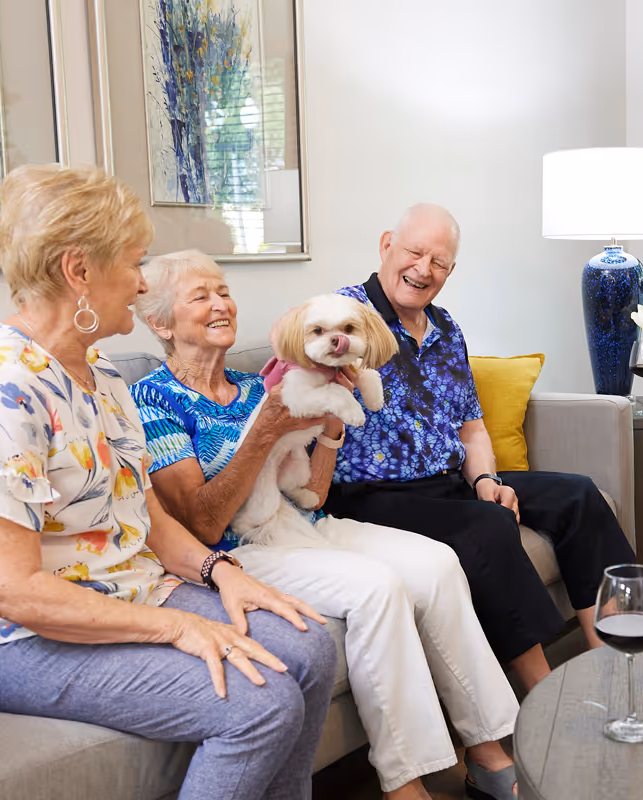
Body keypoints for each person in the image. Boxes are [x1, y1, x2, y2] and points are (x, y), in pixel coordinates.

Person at [0, 165, 337, 800]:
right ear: (79, 271)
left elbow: (146, 519)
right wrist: (177, 627)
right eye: (134, 263)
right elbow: (9, 589)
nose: (143, 283)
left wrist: (222, 573)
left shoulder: (103, 376)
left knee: (310, 649)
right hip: (9, 640)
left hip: (129, 588)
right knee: (261, 701)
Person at [129, 250, 521, 800]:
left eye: (222, 290)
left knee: (437, 563)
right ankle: (406, 781)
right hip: (241, 549)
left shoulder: (254, 382)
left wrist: (332, 430)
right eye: (200, 296)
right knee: (377, 588)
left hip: (305, 521)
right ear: (161, 323)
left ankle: (488, 748)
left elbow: (312, 492)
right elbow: (202, 521)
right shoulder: (151, 399)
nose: (221, 303)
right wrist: (263, 431)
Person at [320, 204, 638, 692]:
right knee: (489, 527)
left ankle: (617, 667)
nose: (423, 270)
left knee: (579, 495)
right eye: (414, 252)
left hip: (447, 486)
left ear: (450, 271)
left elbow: (471, 428)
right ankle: (546, 697)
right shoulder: (343, 316)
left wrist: (487, 479)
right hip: (370, 495)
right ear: (387, 245)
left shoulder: (446, 329)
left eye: (439, 262)